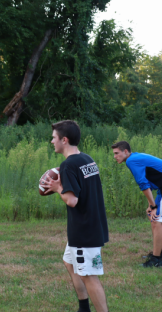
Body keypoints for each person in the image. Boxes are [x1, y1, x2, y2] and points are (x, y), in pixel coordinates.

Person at [43, 120, 109, 312]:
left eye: (54, 138)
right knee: (69, 262)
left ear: (64, 140)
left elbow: (72, 200)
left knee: (89, 276)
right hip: (93, 224)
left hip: (84, 230)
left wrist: (57, 188)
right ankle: (83, 307)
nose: (51, 141)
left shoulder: (68, 165)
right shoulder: (87, 159)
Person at [111, 141, 162, 268]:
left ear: (126, 152)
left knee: (156, 220)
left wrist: (153, 205)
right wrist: (152, 206)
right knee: (153, 218)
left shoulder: (131, 161)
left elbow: (143, 184)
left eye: (117, 153)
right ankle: (158, 253)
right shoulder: (134, 157)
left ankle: (156, 260)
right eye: (114, 154)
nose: (115, 156)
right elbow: (147, 183)